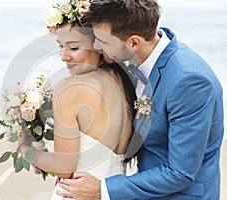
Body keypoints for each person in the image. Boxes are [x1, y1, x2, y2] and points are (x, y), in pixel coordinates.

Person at [57, 0, 224, 199]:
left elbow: (181, 172)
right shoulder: (135, 58)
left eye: (102, 40)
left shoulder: (188, 82)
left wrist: (102, 189)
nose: (96, 46)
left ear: (134, 43)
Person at [21, 1, 136, 199]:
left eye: (73, 48)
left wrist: (25, 149)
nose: (63, 57)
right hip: (111, 192)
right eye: (60, 46)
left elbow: (64, 167)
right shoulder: (126, 82)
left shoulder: (70, 88)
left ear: (99, 45)